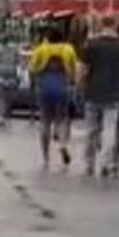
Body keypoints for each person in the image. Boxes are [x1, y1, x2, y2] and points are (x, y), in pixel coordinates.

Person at [82, 15, 119, 179]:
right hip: (114, 94)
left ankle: (89, 163)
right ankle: (105, 162)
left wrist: (81, 85)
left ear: (101, 24)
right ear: (115, 25)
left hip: (92, 92)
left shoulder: (91, 44)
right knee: (110, 130)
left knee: (91, 130)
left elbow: (83, 69)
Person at [28, 25, 78, 168]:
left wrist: (35, 83)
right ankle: (62, 144)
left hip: (44, 88)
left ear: (48, 38)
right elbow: (74, 69)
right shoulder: (68, 49)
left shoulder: (40, 50)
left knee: (45, 121)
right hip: (62, 87)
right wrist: (73, 84)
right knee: (62, 119)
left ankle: (46, 157)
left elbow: (31, 69)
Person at [0, 40, 23, 126]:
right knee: (8, 98)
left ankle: (2, 118)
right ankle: (6, 117)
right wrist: (19, 76)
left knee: (2, 98)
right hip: (11, 76)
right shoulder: (14, 50)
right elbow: (20, 63)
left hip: (2, 75)